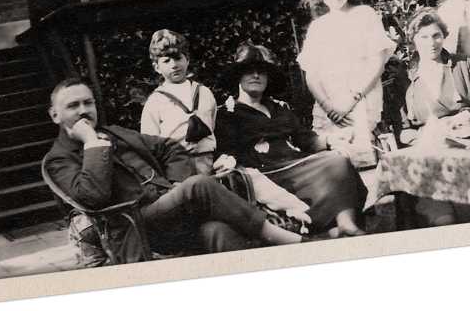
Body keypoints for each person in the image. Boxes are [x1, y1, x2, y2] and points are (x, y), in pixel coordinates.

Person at [44, 79, 305, 264]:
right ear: (55, 115)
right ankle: (288, 242)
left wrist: (175, 187)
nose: (83, 111)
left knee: (217, 231)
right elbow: (94, 196)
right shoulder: (58, 160)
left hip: (169, 213)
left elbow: (169, 147)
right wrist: (92, 143)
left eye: (88, 103)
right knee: (199, 185)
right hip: (135, 227)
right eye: (73, 106)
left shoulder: (116, 133)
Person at [215, 43, 369, 238]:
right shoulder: (228, 113)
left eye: (261, 72)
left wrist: (332, 139)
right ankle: (339, 226)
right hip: (267, 174)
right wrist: (224, 160)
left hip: (297, 165)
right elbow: (227, 155)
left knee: (338, 156)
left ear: (268, 78)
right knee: (335, 162)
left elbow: (306, 140)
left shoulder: (279, 108)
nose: (256, 76)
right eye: (249, 71)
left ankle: (343, 225)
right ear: (239, 76)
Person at [401, 8, 470, 227]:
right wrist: (423, 135)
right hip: (432, 156)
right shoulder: (407, 78)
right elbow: (403, 130)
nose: (431, 43)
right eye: (424, 37)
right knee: (445, 216)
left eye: (436, 35)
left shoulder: (463, 64)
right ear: (414, 41)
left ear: (444, 36)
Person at [297, 0, 397, 169]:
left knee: (363, 159)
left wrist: (350, 101)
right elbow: (312, 74)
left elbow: (377, 62)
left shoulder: (364, 15)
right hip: (330, 104)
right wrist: (328, 106)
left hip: (359, 98)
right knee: (337, 163)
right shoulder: (318, 27)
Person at [141, 29, 217, 176]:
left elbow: (213, 123)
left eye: (178, 58)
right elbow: (150, 142)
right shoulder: (156, 101)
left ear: (187, 59)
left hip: (206, 161)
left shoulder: (204, 92)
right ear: (157, 67)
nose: (174, 65)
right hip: (175, 165)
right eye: (166, 61)